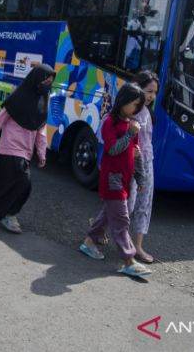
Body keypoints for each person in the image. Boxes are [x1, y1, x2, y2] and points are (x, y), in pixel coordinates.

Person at [0, 64, 55, 234]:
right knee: (23, 181)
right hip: (10, 148)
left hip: (26, 152)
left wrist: (42, 154)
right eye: (46, 80)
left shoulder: (43, 104)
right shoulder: (17, 98)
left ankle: (4, 212)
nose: (47, 84)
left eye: (50, 82)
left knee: (12, 184)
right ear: (37, 79)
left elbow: (41, 133)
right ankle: (10, 214)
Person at [79, 83, 152, 278]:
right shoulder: (109, 122)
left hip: (126, 179)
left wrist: (141, 177)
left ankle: (89, 242)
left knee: (107, 214)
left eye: (139, 106)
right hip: (112, 178)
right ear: (123, 101)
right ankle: (129, 260)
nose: (135, 109)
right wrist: (130, 134)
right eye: (134, 104)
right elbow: (112, 149)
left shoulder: (132, 124)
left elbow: (136, 155)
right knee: (121, 218)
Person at [127, 71, 159, 264]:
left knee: (144, 204)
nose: (151, 96)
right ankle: (98, 231)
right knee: (126, 205)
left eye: (154, 92)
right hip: (131, 162)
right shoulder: (130, 110)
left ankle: (137, 246)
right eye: (148, 91)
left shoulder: (147, 112)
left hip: (147, 162)